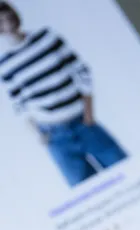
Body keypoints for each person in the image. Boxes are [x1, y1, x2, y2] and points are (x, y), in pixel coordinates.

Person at [0, 2, 128, 187]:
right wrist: (37, 134)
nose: (8, 21)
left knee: (125, 171)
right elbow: (19, 104)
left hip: (82, 122)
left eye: (9, 15)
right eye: (2, 20)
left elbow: (81, 71)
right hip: (54, 135)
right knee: (87, 191)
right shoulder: (5, 64)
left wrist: (88, 113)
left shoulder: (47, 38)